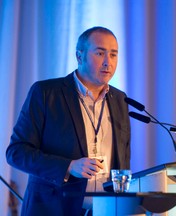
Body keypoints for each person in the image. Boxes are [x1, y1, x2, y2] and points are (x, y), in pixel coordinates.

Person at [6, 26, 131, 216]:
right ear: (79, 56)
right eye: (100, 53)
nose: (108, 62)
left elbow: (122, 161)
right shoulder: (47, 93)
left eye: (113, 55)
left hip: (105, 211)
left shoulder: (120, 100)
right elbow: (16, 152)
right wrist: (69, 166)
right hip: (53, 209)